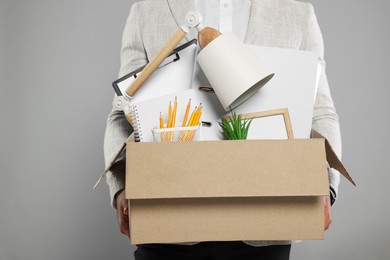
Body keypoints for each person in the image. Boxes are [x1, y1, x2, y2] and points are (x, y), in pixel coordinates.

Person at [104, 0, 341, 259]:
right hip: (168, 217)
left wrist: (325, 185)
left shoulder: (296, 13)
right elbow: (121, 112)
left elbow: (320, 112)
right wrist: (121, 186)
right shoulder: (147, 10)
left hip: (266, 220)